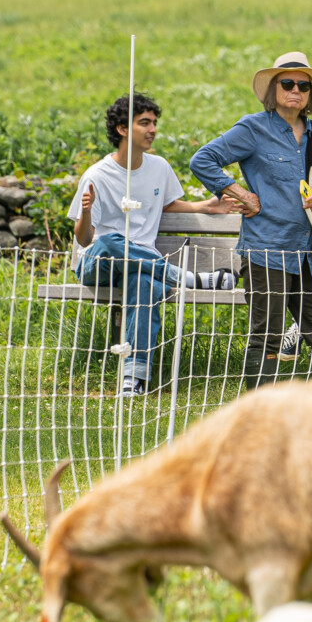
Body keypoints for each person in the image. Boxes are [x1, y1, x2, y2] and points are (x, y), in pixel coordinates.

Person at [189, 51, 312, 387]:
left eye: (303, 86)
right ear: (273, 89)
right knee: (268, 335)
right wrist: (241, 195)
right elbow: (203, 160)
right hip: (267, 248)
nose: (295, 90)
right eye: (287, 83)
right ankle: (261, 416)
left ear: (310, 95)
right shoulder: (253, 128)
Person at [69, 94, 236, 397]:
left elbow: (168, 204)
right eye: (144, 123)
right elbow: (84, 240)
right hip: (98, 264)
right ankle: (184, 278)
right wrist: (86, 210)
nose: (152, 129)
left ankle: (134, 378)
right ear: (122, 129)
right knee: (110, 241)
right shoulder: (96, 175)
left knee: (144, 282)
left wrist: (207, 207)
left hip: (142, 266)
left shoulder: (159, 168)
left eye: (154, 123)